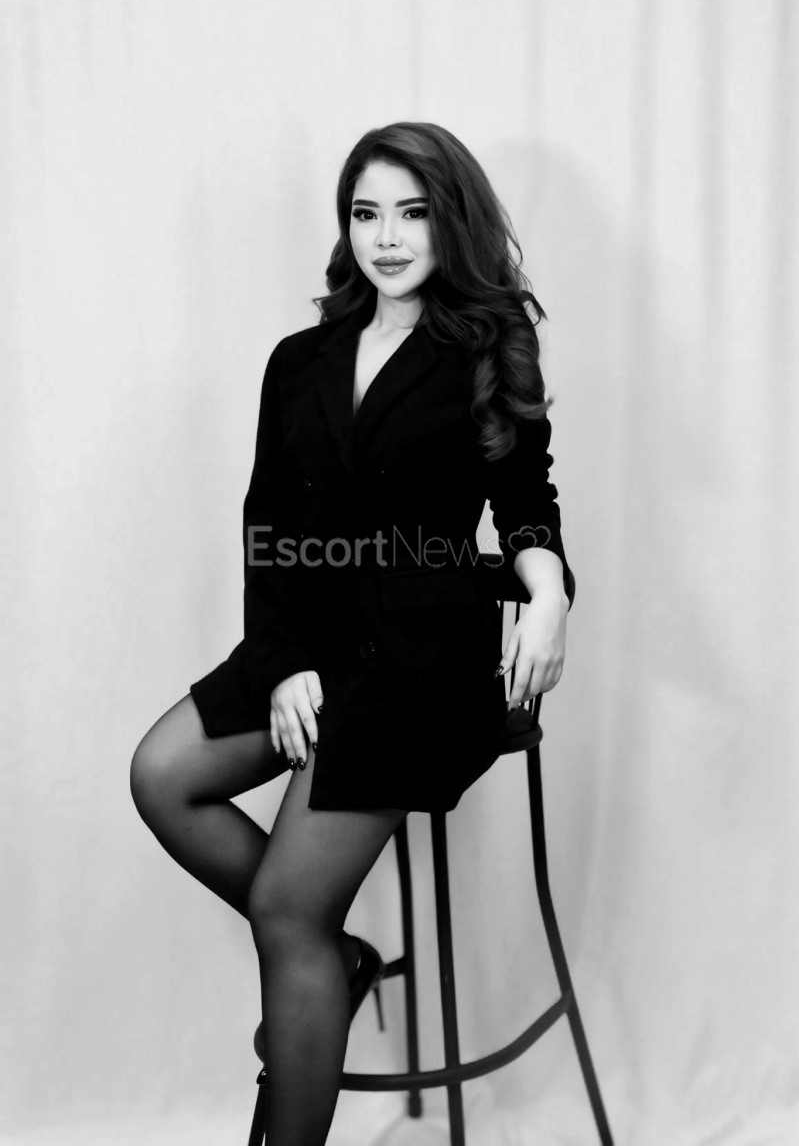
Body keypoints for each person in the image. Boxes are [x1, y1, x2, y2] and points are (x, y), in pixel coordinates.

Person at [129, 121, 574, 1145]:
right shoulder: (300, 360)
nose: (387, 236)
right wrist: (284, 664)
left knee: (286, 912)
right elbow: (269, 525)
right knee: (162, 775)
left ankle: (309, 965)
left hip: (422, 662)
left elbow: (524, 500)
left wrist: (547, 589)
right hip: (312, 636)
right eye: (366, 213)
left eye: (412, 213)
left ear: (449, 221)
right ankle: (335, 962)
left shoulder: (483, 349)